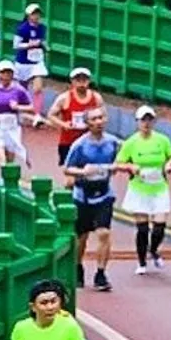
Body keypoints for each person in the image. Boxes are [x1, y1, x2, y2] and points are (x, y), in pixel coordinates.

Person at [63, 107, 120, 292]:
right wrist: (83, 171)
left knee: (104, 233)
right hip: (83, 195)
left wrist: (115, 168)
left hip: (104, 194)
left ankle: (101, 274)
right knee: (82, 236)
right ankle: (78, 268)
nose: (98, 122)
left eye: (101, 118)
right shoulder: (80, 145)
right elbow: (67, 169)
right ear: (87, 123)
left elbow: (118, 162)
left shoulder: (113, 143)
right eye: (94, 119)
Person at [115, 106, 171, 275]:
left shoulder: (162, 140)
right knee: (142, 228)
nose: (146, 123)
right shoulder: (131, 142)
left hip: (159, 187)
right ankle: (141, 262)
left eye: (149, 120)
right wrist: (130, 166)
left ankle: (154, 250)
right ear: (137, 122)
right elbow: (119, 163)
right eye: (143, 120)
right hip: (140, 188)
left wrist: (169, 164)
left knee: (159, 226)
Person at [0, 60, 35, 178]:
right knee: (2, 159)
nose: (5, 76)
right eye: (3, 73)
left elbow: (31, 107)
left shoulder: (19, 90)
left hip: (11, 127)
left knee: (9, 162)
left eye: (8, 73)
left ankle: (0, 181)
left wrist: (18, 107)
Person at [47, 67, 105, 173]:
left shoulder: (96, 98)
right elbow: (51, 115)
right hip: (68, 142)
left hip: (89, 141)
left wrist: (95, 124)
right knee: (70, 175)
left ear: (89, 81)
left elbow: (104, 117)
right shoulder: (64, 98)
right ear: (72, 81)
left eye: (84, 80)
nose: (81, 83)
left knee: (89, 172)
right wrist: (63, 124)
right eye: (78, 80)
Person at [13, 3, 50, 110]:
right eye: (34, 14)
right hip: (24, 62)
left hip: (37, 61)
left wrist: (45, 46)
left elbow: (42, 40)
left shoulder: (42, 28)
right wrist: (30, 45)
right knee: (22, 88)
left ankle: (37, 113)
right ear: (28, 15)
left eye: (38, 14)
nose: (36, 16)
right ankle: (22, 108)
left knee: (38, 89)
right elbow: (16, 45)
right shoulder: (22, 29)